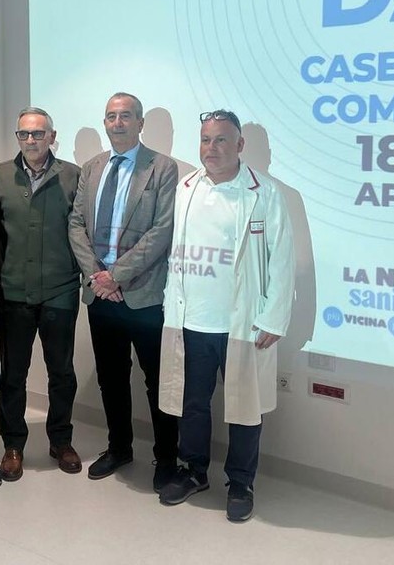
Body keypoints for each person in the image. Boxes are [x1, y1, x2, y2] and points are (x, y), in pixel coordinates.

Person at [157, 109, 294, 522]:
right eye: (205, 139)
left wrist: (273, 318)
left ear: (240, 145)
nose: (211, 148)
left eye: (220, 140)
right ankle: (194, 470)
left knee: (244, 408)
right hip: (191, 320)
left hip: (242, 324)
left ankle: (240, 482)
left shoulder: (264, 193)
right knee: (193, 404)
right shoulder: (186, 188)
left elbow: (281, 260)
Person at [67, 92, 179, 490]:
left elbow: (162, 231)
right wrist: (97, 276)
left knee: (157, 381)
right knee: (111, 378)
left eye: (126, 116)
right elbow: (76, 224)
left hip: (144, 296)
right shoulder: (92, 167)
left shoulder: (162, 168)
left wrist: (117, 275)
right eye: (111, 116)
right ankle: (119, 448)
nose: (118, 123)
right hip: (101, 296)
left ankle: (167, 458)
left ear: (140, 123)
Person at [0, 107, 83, 480]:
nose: (30, 140)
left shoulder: (73, 176)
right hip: (13, 291)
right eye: (24, 134)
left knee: (61, 371)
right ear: (18, 137)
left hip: (60, 290)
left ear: (52, 137)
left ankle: (61, 440)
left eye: (38, 133)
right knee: (13, 373)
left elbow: (82, 229)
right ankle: (13, 445)